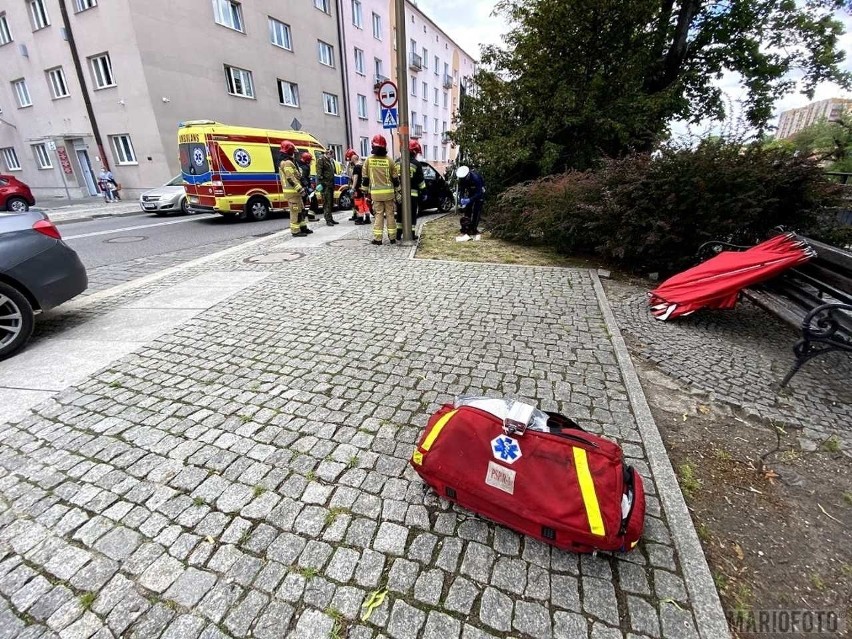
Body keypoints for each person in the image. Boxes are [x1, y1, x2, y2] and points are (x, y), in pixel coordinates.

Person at [362, 134, 399, 245]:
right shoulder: (390, 160)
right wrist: (398, 191)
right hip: (389, 194)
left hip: (376, 194)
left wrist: (365, 191)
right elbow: (396, 179)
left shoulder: (368, 161)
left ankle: (378, 239)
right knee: (390, 215)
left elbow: (365, 179)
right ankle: (392, 238)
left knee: (378, 215)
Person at [278, 140, 312, 237]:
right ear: (290, 152)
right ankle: (295, 231)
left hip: (295, 193)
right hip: (293, 192)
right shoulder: (287, 163)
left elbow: (296, 176)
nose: (294, 155)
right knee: (295, 211)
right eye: (293, 152)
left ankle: (303, 227)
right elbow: (290, 178)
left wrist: (304, 183)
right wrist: (301, 189)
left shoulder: (287, 162)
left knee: (301, 210)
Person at [396, 140, 426, 241]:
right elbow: (420, 181)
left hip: (400, 195)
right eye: (416, 152)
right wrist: (424, 191)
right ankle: (411, 234)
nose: (417, 155)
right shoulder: (417, 164)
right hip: (412, 195)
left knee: (400, 214)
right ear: (413, 152)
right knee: (412, 215)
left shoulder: (397, 162)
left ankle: (398, 233)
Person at [457, 165, 485, 235]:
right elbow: (462, 190)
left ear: (468, 175)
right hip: (471, 192)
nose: (462, 179)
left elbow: (479, 193)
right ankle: (467, 227)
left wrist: (470, 199)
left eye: (463, 178)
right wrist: (461, 199)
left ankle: (474, 229)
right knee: (468, 208)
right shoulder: (462, 179)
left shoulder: (476, 178)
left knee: (476, 211)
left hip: (480, 193)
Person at [345, 148, 371, 226]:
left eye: (350, 159)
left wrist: (353, 188)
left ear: (353, 159)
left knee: (358, 203)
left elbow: (355, 178)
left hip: (358, 188)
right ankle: (367, 218)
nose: (350, 161)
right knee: (365, 203)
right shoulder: (362, 165)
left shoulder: (356, 167)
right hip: (363, 187)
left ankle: (360, 219)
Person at [316, 148, 337, 226]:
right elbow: (319, 174)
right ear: (328, 153)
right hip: (325, 185)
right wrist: (322, 183)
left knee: (330, 202)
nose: (332, 157)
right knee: (327, 203)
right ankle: (328, 219)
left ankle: (330, 218)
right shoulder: (321, 160)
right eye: (331, 155)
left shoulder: (329, 160)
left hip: (330, 184)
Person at [297, 151, 318, 222]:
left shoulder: (299, 165)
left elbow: (305, 177)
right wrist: (307, 186)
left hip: (302, 187)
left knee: (303, 203)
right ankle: (309, 217)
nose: (310, 162)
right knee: (314, 201)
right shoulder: (305, 167)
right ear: (307, 160)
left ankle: (303, 218)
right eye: (310, 160)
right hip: (305, 188)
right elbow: (303, 178)